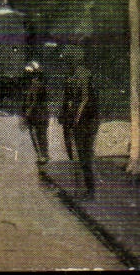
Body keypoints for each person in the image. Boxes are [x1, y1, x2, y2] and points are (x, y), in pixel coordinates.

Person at [60, 40, 101, 198]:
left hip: (87, 120)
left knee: (84, 156)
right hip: (78, 120)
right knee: (77, 155)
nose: (66, 63)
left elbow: (84, 98)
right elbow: (71, 98)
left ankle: (90, 191)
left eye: (67, 60)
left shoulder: (83, 74)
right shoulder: (72, 75)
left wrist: (76, 118)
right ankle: (82, 189)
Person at [22, 61, 50, 166]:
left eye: (31, 74)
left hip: (38, 113)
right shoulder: (35, 84)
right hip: (40, 113)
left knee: (38, 135)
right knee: (40, 135)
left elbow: (34, 100)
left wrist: (28, 111)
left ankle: (42, 155)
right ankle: (43, 155)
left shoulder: (37, 85)